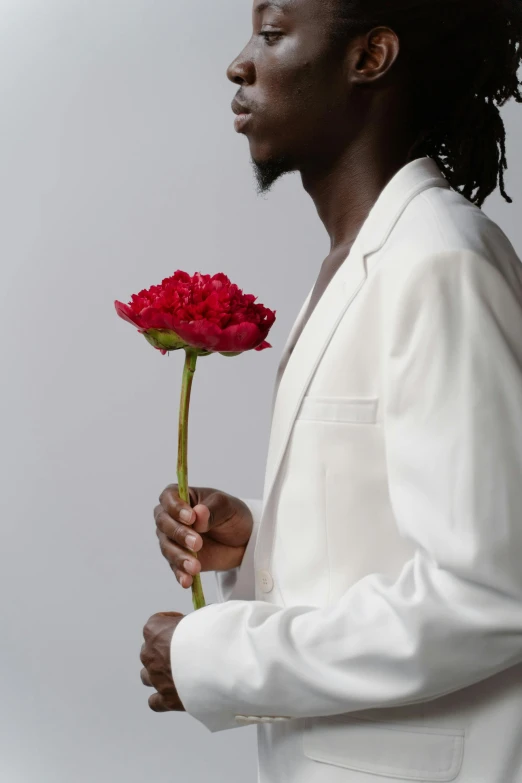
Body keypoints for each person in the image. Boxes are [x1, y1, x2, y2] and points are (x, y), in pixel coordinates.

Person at [140, 1, 522, 780]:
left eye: (272, 33)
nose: (240, 64)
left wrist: (218, 656)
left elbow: (491, 595)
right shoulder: (360, 260)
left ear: (371, 56)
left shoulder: (437, 262)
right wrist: (259, 544)